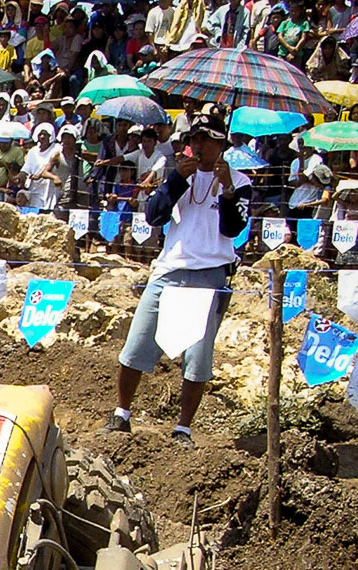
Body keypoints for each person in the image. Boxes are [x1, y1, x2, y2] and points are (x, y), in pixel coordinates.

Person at [102, 105, 253, 447]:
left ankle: (183, 428)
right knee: (136, 345)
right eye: (193, 139)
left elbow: (234, 228)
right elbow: (153, 216)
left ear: (220, 145)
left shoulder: (240, 183)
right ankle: (121, 413)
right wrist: (175, 181)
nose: (198, 146)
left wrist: (228, 191)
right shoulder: (178, 174)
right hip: (169, 270)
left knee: (197, 358)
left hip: (209, 275)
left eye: (206, 140)